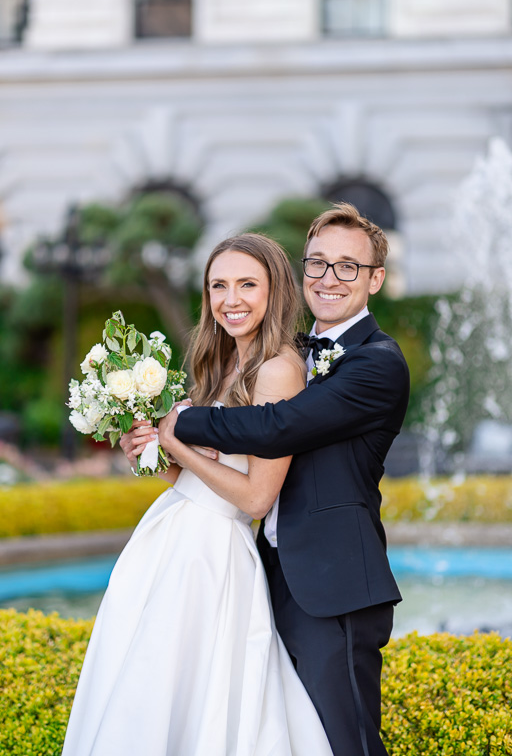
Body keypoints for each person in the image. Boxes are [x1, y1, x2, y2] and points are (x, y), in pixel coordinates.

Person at [61, 233, 334, 756]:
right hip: (172, 538)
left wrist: (175, 443)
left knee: (195, 695)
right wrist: (148, 452)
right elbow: (196, 478)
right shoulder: (219, 364)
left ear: (275, 290)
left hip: (213, 558)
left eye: (247, 284)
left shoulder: (279, 371)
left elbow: (255, 499)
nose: (231, 299)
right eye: (219, 286)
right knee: (148, 686)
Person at [159, 203, 410, 756]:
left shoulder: (378, 363)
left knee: (346, 742)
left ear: (376, 280)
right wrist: (158, 441)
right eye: (317, 263)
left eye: (348, 267)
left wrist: (177, 422)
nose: (329, 278)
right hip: (266, 576)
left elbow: (276, 426)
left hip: (336, 585)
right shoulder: (290, 353)